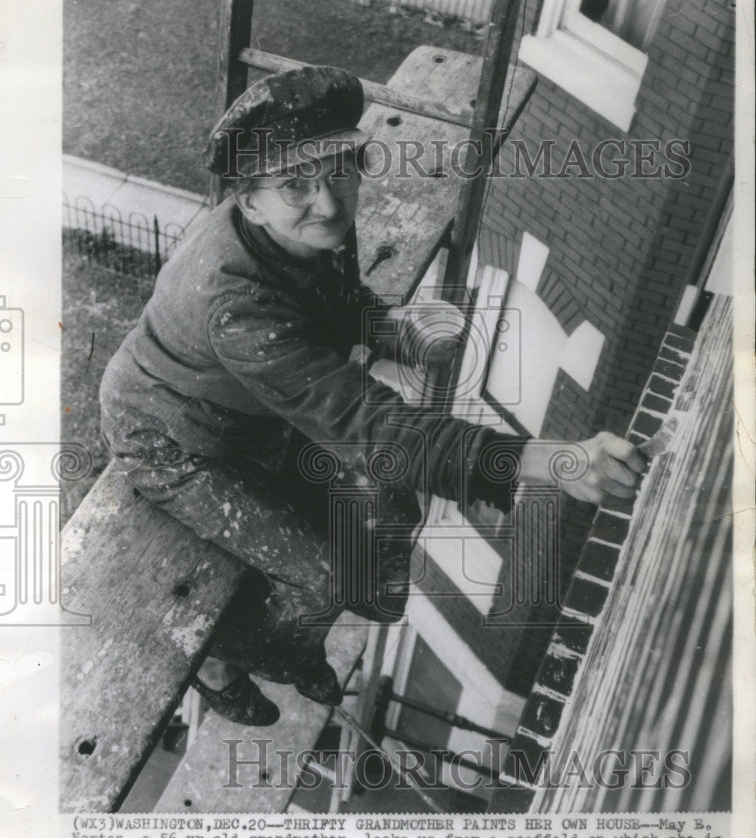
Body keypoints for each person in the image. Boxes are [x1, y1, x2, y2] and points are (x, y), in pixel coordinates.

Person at [99, 65, 643, 726]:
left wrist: (397, 338)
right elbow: (370, 425)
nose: (327, 203)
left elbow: (337, 300)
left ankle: (289, 640)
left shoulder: (311, 221)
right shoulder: (234, 305)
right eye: (295, 184)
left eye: (338, 169)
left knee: (386, 523)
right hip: (174, 438)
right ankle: (232, 655)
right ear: (248, 203)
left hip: (254, 408)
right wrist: (554, 462)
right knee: (324, 581)